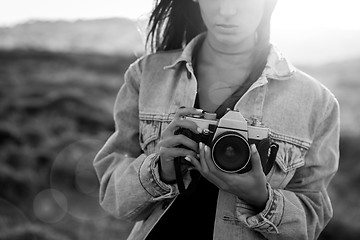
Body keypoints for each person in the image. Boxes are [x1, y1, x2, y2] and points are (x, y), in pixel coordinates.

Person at [93, 0, 340, 239]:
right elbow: (113, 198)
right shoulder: (146, 75)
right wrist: (160, 169)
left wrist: (262, 198)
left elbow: (312, 222)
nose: (227, 10)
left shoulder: (317, 102)